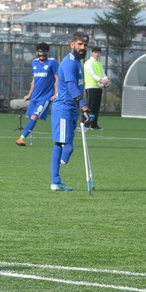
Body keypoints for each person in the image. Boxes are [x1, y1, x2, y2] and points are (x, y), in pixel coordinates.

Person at [49, 32, 93, 192]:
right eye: (80, 44)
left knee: (60, 145)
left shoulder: (77, 63)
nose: (83, 48)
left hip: (71, 109)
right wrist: (84, 106)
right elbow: (72, 87)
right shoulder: (69, 63)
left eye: (85, 45)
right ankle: (56, 176)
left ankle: (56, 181)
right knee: (66, 147)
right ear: (72, 45)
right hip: (63, 109)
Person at [16, 42, 59, 146]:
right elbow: (34, 80)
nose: (42, 54)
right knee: (31, 116)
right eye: (40, 52)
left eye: (44, 52)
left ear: (48, 53)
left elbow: (57, 78)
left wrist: (56, 94)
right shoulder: (34, 63)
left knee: (34, 117)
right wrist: (29, 94)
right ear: (37, 52)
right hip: (35, 96)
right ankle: (23, 137)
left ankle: (21, 138)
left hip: (45, 97)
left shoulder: (53, 62)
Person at [82, 46, 108, 130]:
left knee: (96, 107)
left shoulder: (99, 63)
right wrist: (101, 80)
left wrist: (106, 80)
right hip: (91, 87)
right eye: (96, 52)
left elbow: (103, 73)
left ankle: (94, 125)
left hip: (98, 87)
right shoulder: (88, 63)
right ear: (92, 53)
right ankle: (85, 124)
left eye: (99, 53)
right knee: (90, 106)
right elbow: (92, 74)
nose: (97, 54)